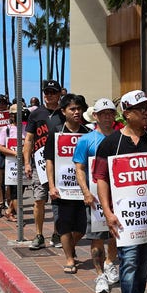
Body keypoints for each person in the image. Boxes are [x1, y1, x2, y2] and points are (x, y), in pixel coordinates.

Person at [95, 90, 147, 293]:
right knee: (130, 264)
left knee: (143, 266)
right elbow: (101, 177)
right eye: (141, 108)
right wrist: (107, 211)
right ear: (126, 113)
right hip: (124, 220)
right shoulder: (111, 143)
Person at [74, 98, 121, 293]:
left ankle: (110, 262)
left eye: (110, 113)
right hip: (94, 197)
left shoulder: (121, 137)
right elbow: (79, 167)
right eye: (103, 113)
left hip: (118, 196)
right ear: (96, 116)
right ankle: (100, 274)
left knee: (116, 235)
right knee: (96, 239)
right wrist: (85, 192)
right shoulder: (86, 140)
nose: (107, 116)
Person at [46, 94, 90, 274]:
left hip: (83, 190)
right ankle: (69, 258)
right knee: (64, 224)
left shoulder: (88, 133)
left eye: (79, 108)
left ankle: (69, 246)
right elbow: (49, 160)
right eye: (72, 109)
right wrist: (51, 186)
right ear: (63, 112)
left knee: (81, 227)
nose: (76, 112)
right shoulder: (56, 132)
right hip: (61, 189)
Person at [25, 80, 65, 250]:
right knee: (39, 200)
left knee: (59, 201)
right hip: (40, 165)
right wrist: (27, 163)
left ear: (59, 94)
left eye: (53, 92)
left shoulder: (64, 113)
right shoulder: (36, 114)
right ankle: (39, 235)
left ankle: (57, 233)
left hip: (60, 164)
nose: (49, 95)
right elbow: (28, 139)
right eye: (46, 92)